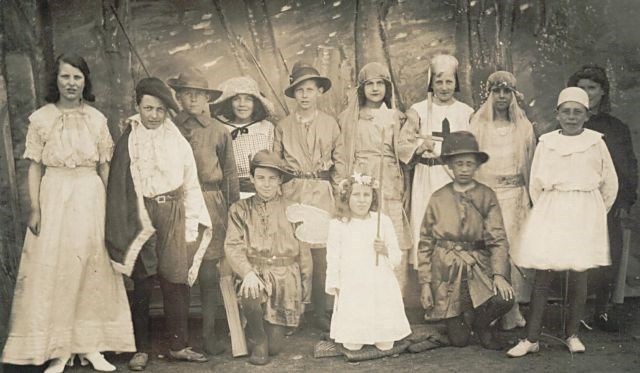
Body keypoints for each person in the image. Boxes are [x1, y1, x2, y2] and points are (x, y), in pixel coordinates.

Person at [1, 53, 135, 372]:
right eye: (65, 77)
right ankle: (59, 349)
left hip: (90, 195)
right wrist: (35, 207)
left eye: (77, 77)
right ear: (56, 80)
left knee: (93, 267)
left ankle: (91, 347)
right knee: (56, 269)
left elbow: (105, 166)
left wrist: (112, 210)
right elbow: (34, 167)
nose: (71, 83)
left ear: (85, 81)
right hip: (54, 194)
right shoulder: (41, 118)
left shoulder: (96, 119)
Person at [105, 77, 213, 369]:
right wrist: (134, 216)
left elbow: (190, 181)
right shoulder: (130, 138)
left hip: (173, 210)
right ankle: (141, 348)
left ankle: (178, 344)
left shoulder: (176, 139)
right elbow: (120, 183)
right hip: (141, 211)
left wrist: (191, 222)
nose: (153, 115)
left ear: (167, 111)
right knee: (142, 280)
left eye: (159, 110)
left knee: (175, 278)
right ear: (138, 106)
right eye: (147, 108)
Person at [507, 87, 618, 357]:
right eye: (566, 112)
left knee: (579, 276)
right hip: (553, 210)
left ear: (587, 115)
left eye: (577, 112)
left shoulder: (596, 142)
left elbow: (609, 183)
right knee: (544, 275)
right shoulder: (546, 143)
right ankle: (531, 337)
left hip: (585, 213)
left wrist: (592, 212)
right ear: (557, 114)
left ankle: (572, 334)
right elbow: (535, 184)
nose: (571, 117)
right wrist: (551, 208)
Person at [418, 131, 514, 350]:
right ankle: (461, 322)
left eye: (469, 164)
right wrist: (425, 284)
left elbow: (498, 238)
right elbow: (425, 242)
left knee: (504, 299)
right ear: (450, 165)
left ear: (477, 166)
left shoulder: (486, 195)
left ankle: (482, 324)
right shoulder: (438, 197)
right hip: (447, 268)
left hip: (478, 265)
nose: (464, 169)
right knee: (459, 341)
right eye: (459, 163)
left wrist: (499, 275)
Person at [168, 68, 240, 356]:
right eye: (187, 94)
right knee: (180, 268)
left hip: (211, 202)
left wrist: (233, 210)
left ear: (207, 98)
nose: (193, 99)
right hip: (179, 203)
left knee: (209, 270)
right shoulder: (169, 128)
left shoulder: (219, 130)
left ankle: (209, 334)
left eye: (199, 94)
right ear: (179, 97)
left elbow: (230, 173)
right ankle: (181, 338)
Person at [274, 62, 346, 331]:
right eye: (299, 90)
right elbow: (277, 163)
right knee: (294, 256)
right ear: (294, 94)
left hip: (322, 194)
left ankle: (319, 311)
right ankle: (293, 313)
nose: (305, 95)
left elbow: (339, 163)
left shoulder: (330, 124)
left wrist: (341, 197)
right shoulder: (282, 126)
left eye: (310, 90)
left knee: (320, 258)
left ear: (319, 92)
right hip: (293, 193)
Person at [224, 150, 312, 365]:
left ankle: (268, 336)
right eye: (261, 178)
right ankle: (258, 337)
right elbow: (233, 245)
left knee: (276, 348)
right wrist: (247, 273)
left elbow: (305, 253)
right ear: (252, 179)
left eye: (272, 178)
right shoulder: (239, 209)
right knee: (251, 292)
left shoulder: (293, 208)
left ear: (280, 180)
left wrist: (305, 292)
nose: (266, 184)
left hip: (285, 277)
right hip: (255, 272)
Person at [567, 65, 638, 331]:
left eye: (592, 88)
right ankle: (577, 312)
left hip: (608, 202)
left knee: (609, 255)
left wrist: (624, 202)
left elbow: (628, 167)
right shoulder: (568, 124)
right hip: (576, 202)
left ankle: (602, 310)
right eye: (582, 88)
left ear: (602, 91)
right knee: (579, 256)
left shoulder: (615, 128)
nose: (587, 93)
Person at [469, 71, 536, 330]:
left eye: (506, 91)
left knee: (513, 251)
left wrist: (529, 198)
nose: (501, 96)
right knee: (491, 250)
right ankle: (492, 309)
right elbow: (472, 163)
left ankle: (513, 309)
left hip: (516, 196)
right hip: (488, 197)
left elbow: (530, 166)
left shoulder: (523, 127)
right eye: (496, 91)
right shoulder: (479, 124)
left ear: (513, 95)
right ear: (489, 93)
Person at [338, 62, 412, 292]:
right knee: (363, 237)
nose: (375, 88)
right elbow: (342, 153)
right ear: (361, 89)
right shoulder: (349, 118)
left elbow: (404, 154)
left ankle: (394, 296)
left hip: (389, 178)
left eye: (380, 83)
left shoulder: (397, 117)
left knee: (392, 235)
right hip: (361, 176)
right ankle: (365, 298)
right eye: (369, 84)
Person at [398, 54, 474, 267]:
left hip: (453, 179)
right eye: (438, 82)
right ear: (431, 83)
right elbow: (403, 144)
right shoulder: (418, 111)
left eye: (449, 81)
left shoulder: (466, 113)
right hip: (426, 178)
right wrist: (419, 147)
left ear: (456, 83)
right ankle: (426, 285)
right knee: (426, 227)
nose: (443, 87)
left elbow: (474, 147)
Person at [326, 172, 412, 351]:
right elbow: (333, 257)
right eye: (356, 195)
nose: (362, 200)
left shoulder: (383, 221)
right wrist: (335, 285)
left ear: (373, 198)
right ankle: (357, 334)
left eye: (367, 195)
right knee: (352, 345)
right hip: (353, 284)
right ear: (347, 197)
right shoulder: (338, 224)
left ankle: (382, 332)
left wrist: (385, 250)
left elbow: (397, 257)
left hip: (380, 282)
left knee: (386, 344)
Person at [211, 76, 276, 198]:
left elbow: (273, 161)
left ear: (255, 103)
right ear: (229, 103)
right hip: (231, 190)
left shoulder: (266, 128)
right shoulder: (221, 128)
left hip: (262, 189)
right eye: (236, 99)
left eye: (248, 99)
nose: (242, 104)